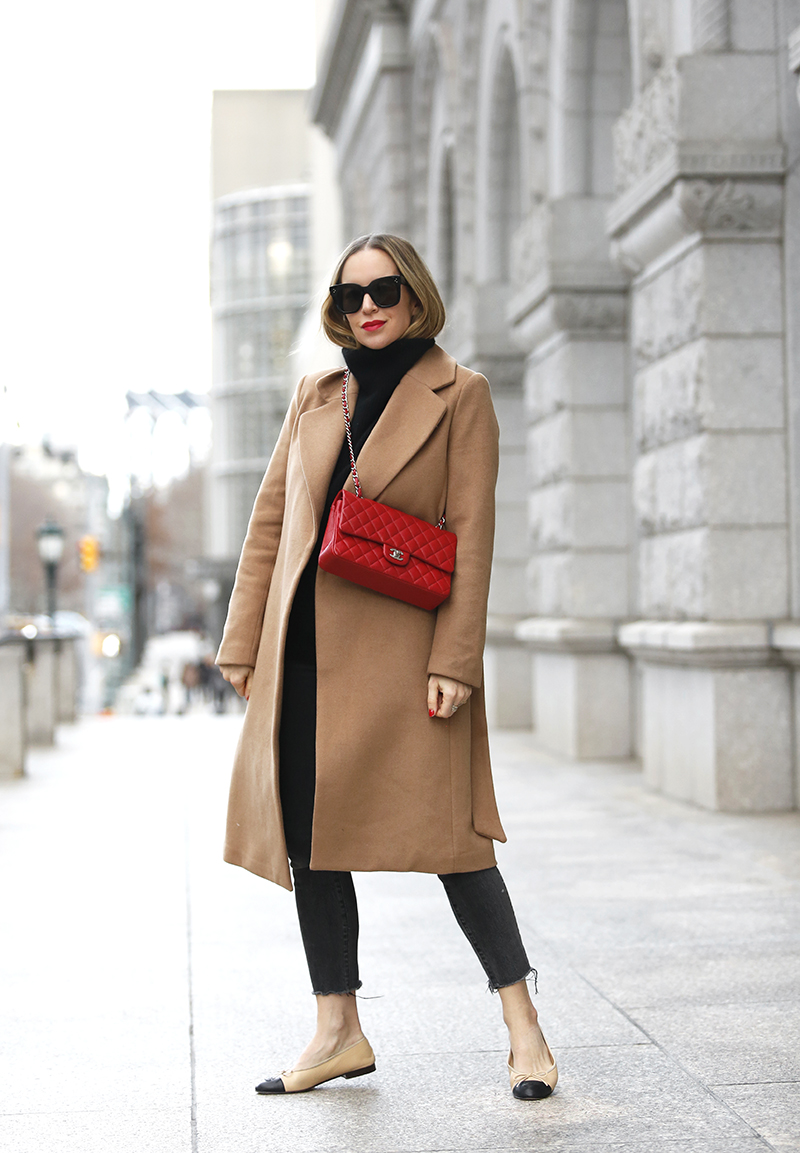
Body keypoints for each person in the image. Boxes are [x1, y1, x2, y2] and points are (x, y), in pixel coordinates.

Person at [217, 233, 557, 1101]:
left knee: (454, 839)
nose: (367, 306)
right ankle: (338, 1027)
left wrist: (457, 657)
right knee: (311, 840)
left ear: (415, 296)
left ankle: (525, 1026)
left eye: (384, 290)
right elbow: (269, 523)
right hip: (304, 654)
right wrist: (243, 639)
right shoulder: (316, 394)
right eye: (350, 294)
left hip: (407, 657)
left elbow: (473, 533)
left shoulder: (461, 394)